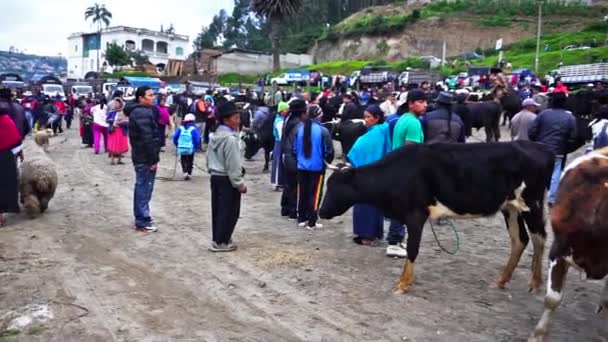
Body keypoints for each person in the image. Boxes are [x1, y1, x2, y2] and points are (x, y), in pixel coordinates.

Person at [387, 88, 427, 258]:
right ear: (411, 104)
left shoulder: (402, 118)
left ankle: (396, 239)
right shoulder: (413, 123)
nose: (425, 105)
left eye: (425, 102)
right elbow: (412, 151)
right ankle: (394, 242)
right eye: (420, 101)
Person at [347, 105, 392, 245]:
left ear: (377, 118)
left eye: (368, 117)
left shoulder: (376, 133)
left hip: (367, 174)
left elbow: (359, 151)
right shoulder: (383, 129)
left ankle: (367, 236)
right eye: (364, 116)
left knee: (365, 205)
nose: (365, 120)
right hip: (378, 174)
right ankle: (375, 234)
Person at [207, 101, 247, 252]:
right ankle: (222, 241)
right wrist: (239, 183)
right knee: (229, 211)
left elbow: (207, 158)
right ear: (226, 120)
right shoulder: (230, 139)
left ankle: (218, 239)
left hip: (215, 177)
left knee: (218, 210)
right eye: (236, 118)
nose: (238, 121)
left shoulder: (214, 136)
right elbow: (233, 164)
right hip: (227, 179)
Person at [528, 93, 577, 206]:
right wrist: (565, 148)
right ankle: (551, 199)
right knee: (555, 175)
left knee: (536, 172)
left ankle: (534, 195)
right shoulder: (570, 117)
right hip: (558, 151)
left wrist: (536, 143)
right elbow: (573, 137)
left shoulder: (543, 114)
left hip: (540, 149)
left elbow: (532, 131)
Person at [125, 86, 161, 233]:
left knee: (144, 186)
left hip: (142, 156)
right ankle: (142, 220)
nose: (153, 98)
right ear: (141, 98)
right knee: (144, 187)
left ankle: (143, 217)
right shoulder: (141, 113)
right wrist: (153, 160)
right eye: (150, 95)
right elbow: (147, 138)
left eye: (153, 95)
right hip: (144, 157)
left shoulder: (143, 111)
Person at [293, 105, 334, 230]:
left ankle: (301, 218)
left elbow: (294, 149)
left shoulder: (300, 129)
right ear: (319, 115)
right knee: (315, 194)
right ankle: (312, 221)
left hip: (301, 166)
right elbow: (329, 151)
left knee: (302, 192)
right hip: (317, 167)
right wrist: (326, 162)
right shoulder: (323, 131)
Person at [281, 99, 307, 219]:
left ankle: (285, 208)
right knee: (296, 185)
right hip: (294, 157)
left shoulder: (287, 120)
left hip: (285, 155)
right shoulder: (300, 125)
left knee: (288, 183)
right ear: (302, 113)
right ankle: (293, 211)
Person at [0, 109, 22, 227]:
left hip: (4, 156)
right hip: (6, 157)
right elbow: (15, 139)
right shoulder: (6, 120)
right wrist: (19, 153)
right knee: (4, 185)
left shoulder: (6, 120)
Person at [173, 113, 201, 180]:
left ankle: (184, 171)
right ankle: (189, 172)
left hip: (182, 147)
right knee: (190, 160)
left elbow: (175, 137)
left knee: (183, 159)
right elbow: (197, 139)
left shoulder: (180, 128)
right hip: (191, 148)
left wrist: (177, 145)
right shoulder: (193, 129)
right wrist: (196, 147)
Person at [271, 102, 289, 190]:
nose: (287, 111)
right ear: (281, 111)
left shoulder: (280, 119)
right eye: (286, 110)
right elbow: (282, 135)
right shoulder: (280, 121)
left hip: (279, 143)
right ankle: (277, 182)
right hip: (279, 143)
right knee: (278, 163)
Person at [106, 97, 129, 165]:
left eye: (117, 103)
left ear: (120, 104)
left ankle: (119, 159)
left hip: (121, 130)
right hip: (114, 130)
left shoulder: (124, 112)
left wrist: (122, 122)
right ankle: (112, 159)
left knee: (121, 144)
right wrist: (111, 120)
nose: (116, 105)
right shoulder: (112, 112)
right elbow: (107, 120)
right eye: (115, 103)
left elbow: (127, 121)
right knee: (113, 144)